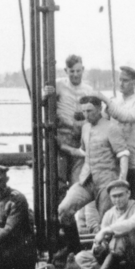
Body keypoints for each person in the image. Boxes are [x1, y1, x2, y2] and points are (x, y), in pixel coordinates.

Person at [56, 95, 129, 255]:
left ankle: (105, 256)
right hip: (87, 179)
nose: (86, 115)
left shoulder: (111, 128)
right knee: (64, 210)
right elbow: (83, 151)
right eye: (84, 111)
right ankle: (74, 249)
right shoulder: (85, 128)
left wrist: (121, 179)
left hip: (107, 182)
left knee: (106, 222)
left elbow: (123, 154)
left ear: (99, 108)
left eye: (89, 111)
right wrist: (64, 147)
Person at [44, 55, 96, 198]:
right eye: (71, 71)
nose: (75, 75)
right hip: (61, 139)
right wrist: (45, 95)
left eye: (78, 71)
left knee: (78, 182)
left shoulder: (88, 90)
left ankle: (76, 217)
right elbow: (41, 104)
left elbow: (95, 115)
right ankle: (62, 218)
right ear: (66, 70)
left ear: (83, 70)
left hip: (80, 140)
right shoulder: (58, 85)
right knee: (59, 183)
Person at [104, 66, 135, 201]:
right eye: (119, 80)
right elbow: (103, 121)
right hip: (118, 161)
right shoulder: (115, 102)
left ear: (134, 83)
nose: (121, 83)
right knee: (118, 204)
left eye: (125, 80)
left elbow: (126, 116)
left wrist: (107, 102)